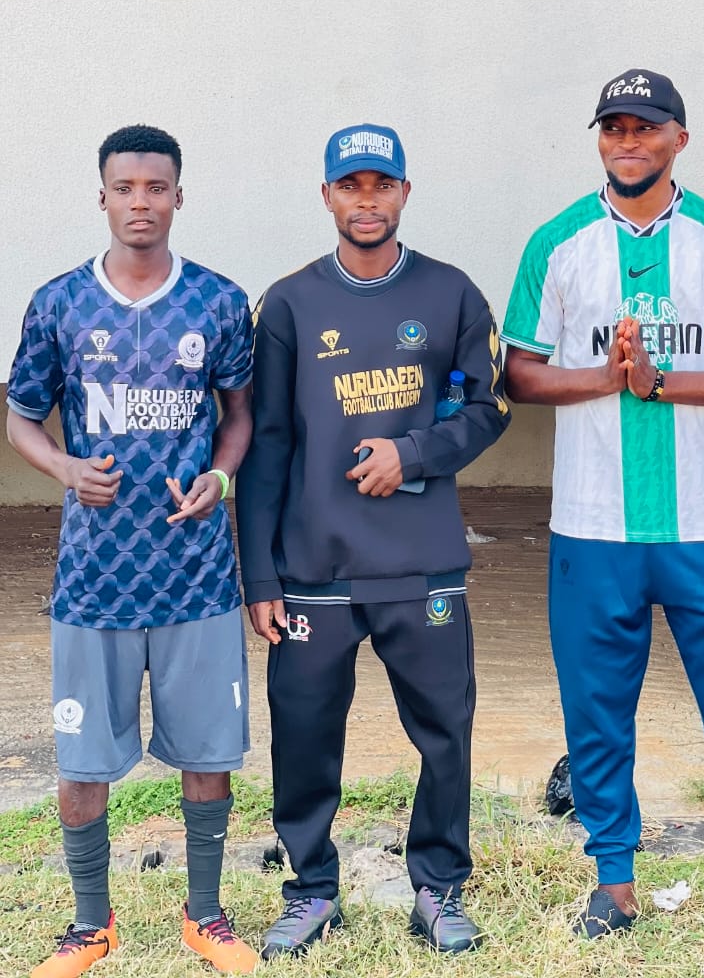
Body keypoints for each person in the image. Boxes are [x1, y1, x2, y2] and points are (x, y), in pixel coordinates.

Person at [501, 69, 704, 947]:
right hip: (592, 527)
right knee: (597, 712)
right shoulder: (558, 242)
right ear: (600, 140)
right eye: (614, 128)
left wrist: (658, 382)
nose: (628, 142)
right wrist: (607, 377)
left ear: (680, 137)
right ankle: (614, 881)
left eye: (646, 127)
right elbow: (519, 372)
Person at [235, 124, 510, 961]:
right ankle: (311, 890)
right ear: (326, 196)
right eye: (350, 185)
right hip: (313, 570)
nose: (366, 200)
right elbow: (265, 443)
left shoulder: (451, 293)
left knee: (444, 732)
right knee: (303, 737)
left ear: (404, 193)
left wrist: (412, 454)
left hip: (420, 567)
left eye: (381, 184)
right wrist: (259, 575)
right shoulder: (288, 304)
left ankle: (439, 888)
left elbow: (491, 407)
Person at [6, 125, 257, 978]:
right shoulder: (59, 303)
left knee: (208, 758)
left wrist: (219, 478)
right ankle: (91, 926)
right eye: (125, 188)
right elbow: (20, 416)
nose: (140, 202)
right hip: (95, 580)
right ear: (102, 196)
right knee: (82, 764)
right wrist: (64, 468)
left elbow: (240, 415)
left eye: (156, 188)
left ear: (179, 196)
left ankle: (205, 917)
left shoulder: (219, 302)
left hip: (196, 576)